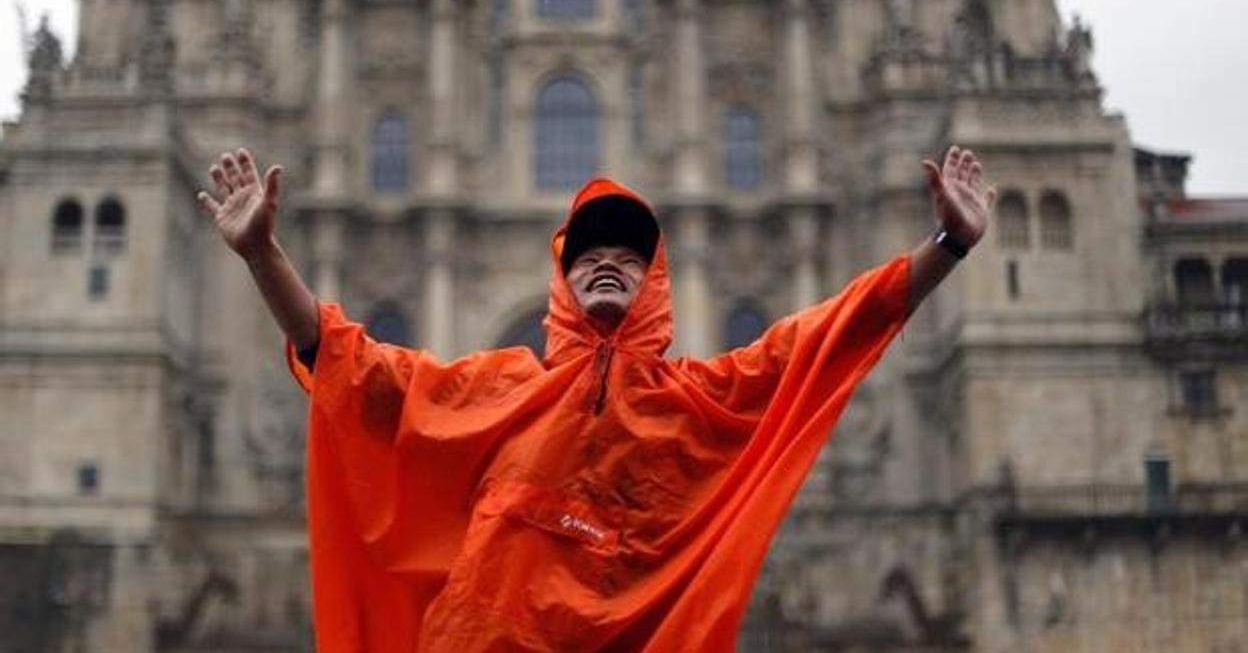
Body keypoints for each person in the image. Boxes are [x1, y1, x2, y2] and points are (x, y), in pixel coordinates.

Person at [197, 146, 993, 652]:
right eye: (587, 255)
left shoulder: (700, 400)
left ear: (655, 285)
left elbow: (831, 333)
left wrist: (948, 246)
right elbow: (347, 364)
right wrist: (263, 255)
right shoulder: (495, 388)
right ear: (560, 279)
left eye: (627, 256)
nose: (607, 263)